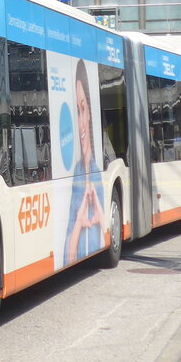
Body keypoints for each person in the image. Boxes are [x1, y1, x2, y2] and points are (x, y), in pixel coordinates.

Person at [65, 60, 106, 266]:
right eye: (76, 111)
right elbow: (68, 255)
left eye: (83, 108)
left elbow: (106, 230)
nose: (80, 120)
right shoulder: (76, 174)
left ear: (90, 112)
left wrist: (99, 210)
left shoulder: (99, 173)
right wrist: (79, 222)